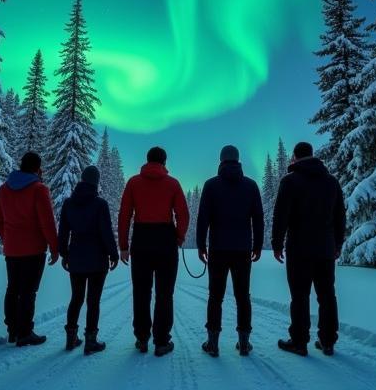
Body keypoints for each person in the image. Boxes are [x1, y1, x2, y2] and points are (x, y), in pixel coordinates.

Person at [271, 141, 346, 357]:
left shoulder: (290, 181)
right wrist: (338, 244)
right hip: (325, 249)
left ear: (295, 157)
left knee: (300, 296)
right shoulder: (331, 182)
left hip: (299, 249)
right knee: (327, 295)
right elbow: (340, 216)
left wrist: (277, 244)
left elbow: (281, 215)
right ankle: (328, 341)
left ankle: (299, 341)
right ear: (312, 156)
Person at [118, 146, 189, 357]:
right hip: (165, 241)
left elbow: (124, 215)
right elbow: (183, 215)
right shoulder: (173, 184)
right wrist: (178, 236)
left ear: (147, 160)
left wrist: (123, 245)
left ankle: (141, 338)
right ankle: (161, 341)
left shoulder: (133, 183)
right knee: (165, 294)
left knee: (141, 292)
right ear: (164, 162)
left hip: (141, 240)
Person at [196, 145, 264, 358]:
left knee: (215, 297)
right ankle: (244, 343)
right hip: (242, 249)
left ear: (221, 160)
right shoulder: (251, 186)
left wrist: (201, 245)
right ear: (238, 160)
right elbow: (259, 219)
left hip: (218, 249)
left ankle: (213, 343)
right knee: (243, 296)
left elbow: (203, 218)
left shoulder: (211, 185)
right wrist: (258, 245)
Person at [0, 151, 59, 347]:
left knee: (12, 289)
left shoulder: (4, 189)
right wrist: (55, 248)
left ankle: (12, 330)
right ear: (38, 168)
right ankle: (25, 332)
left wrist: (7, 238)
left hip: (12, 249)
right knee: (28, 291)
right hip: (33, 249)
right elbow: (47, 222)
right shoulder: (39, 189)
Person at [57, 165, 119, 354]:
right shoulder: (100, 204)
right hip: (97, 260)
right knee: (93, 301)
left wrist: (64, 254)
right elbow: (106, 232)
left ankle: (71, 338)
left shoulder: (69, 203)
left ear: (82, 179)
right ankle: (90, 341)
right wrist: (113, 254)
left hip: (75, 258)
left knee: (76, 299)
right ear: (96, 182)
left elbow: (63, 232)